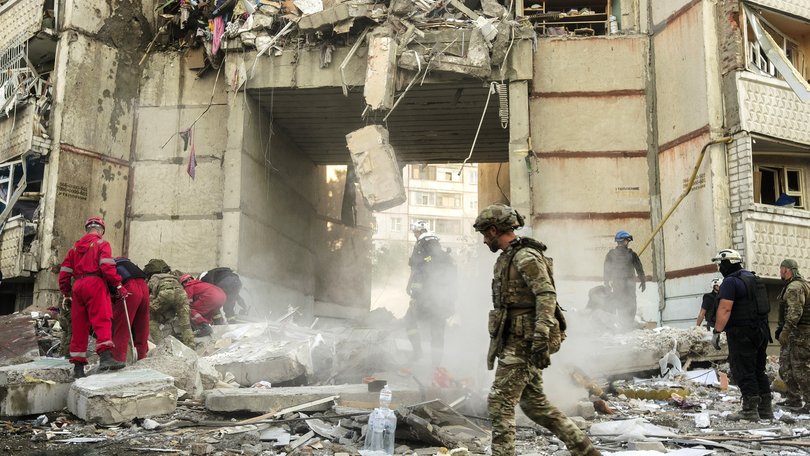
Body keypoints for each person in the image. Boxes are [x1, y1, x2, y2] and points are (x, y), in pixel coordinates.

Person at [473, 204, 600, 456]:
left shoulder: (524, 256)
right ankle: (585, 451)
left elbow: (546, 294)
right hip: (517, 338)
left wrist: (541, 334)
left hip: (526, 339)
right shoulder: (508, 257)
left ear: (495, 230)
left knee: (500, 402)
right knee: (535, 406)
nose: (484, 240)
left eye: (485, 234)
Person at [58, 216, 126, 378]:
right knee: (102, 320)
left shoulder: (73, 250)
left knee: (79, 326)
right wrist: (118, 285)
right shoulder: (102, 244)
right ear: (101, 230)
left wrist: (66, 293)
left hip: (78, 287)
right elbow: (107, 267)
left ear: (87, 229)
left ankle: (78, 369)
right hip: (95, 283)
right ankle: (105, 359)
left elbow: (64, 274)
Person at [712, 248, 772, 421]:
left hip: (742, 332)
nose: (719, 268)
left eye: (720, 264)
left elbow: (725, 308)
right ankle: (765, 409)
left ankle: (750, 410)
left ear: (727, 263)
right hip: (761, 331)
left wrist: (717, 331)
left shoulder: (731, 281)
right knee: (758, 370)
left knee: (743, 370)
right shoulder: (753, 278)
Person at [404, 220, 456, 366]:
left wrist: (413, 294)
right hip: (443, 301)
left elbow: (417, 274)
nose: (414, 235)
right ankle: (436, 365)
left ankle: (418, 352)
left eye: (415, 232)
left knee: (409, 321)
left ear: (420, 232)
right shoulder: (446, 258)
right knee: (438, 332)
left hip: (426, 300)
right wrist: (451, 302)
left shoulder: (421, 252)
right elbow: (453, 282)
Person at [775, 259, 810, 411]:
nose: (780, 272)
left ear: (786, 270)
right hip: (793, 333)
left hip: (800, 333)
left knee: (800, 368)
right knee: (785, 367)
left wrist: (786, 330)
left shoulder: (795, 287)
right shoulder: (792, 285)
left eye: (781, 269)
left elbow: (796, 311)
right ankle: (793, 398)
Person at [143, 259, 195, 348]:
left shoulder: (154, 278)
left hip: (165, 295)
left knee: (149, 318)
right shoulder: (173, 277)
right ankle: (191, 345)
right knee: (185, 324)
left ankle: (161, 346)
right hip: (181, 296)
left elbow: (146, 294)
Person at [110, 257, 150, 363]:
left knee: (121, 328)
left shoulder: (106, 267)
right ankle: (142, 358)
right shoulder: (126, 263)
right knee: (142, 326)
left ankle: (118, 360)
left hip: (128, 288)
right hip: (144, 286)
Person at [603, 231, 645, 328]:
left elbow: (606, 270)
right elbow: (639, 268)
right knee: (630, 303)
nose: (627, 242)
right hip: (629, 283)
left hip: (617, 283)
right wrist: (643, 281)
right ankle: (628, 324)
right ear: (624, 241)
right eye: (627, 240)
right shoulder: (632, 254)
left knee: (620, 302)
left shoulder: (610, 254)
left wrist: (606, 283)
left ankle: (623, 324)